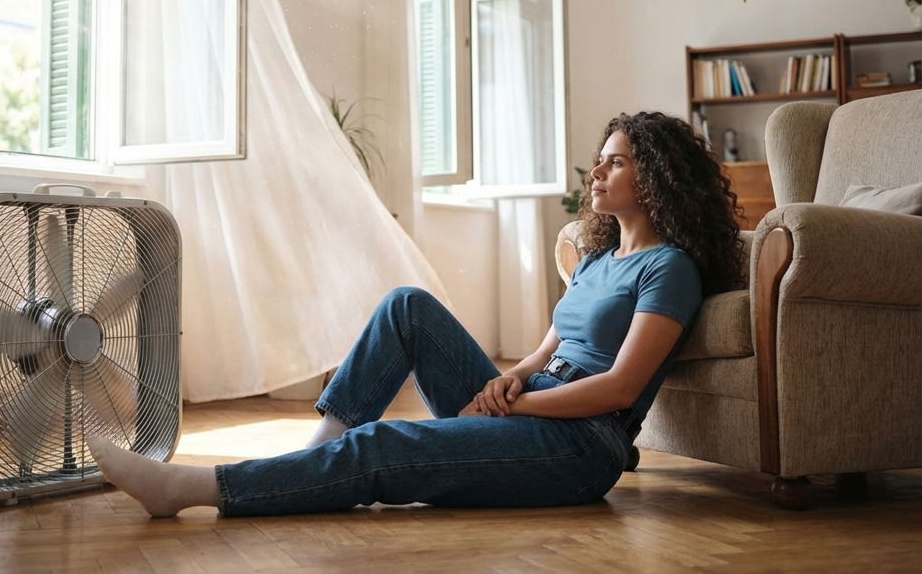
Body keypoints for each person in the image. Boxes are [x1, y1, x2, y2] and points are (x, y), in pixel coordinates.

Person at [89, 110, 743, 517]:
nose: (596, 171)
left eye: (616, 161)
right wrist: (510, 380)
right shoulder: (596, 258)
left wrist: (516, 405)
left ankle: (195, 490)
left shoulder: (669, 269)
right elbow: (549, 349)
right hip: (534, 402)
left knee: (383, 445)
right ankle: (312, 458)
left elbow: (621, 388)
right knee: (407, 306)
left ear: (655, 177)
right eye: (599, 158)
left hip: (580, 444)